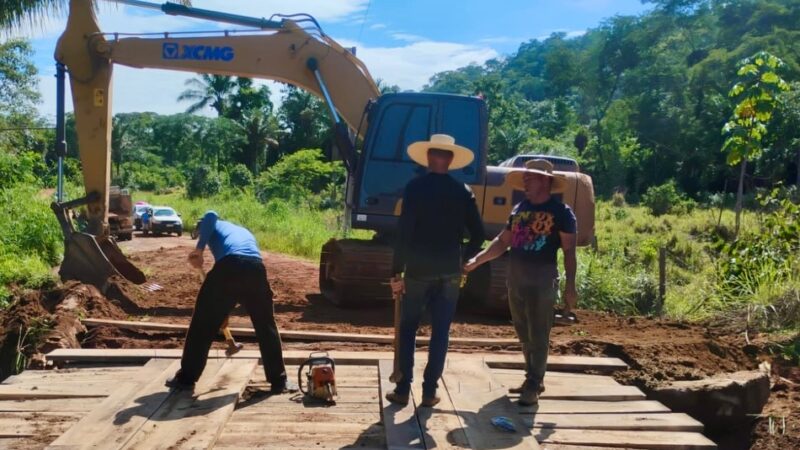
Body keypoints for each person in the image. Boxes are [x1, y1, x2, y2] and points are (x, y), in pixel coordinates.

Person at [464, 159, 577, 406]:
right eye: (524, 177)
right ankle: (532, 378)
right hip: (516, 279)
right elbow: (503, 241)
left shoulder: (562, 213)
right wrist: (478, 260)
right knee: (523, 331)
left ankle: (534, 384)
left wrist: (570, 286)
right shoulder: (518, 209)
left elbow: (569, 251)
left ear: (546, 181)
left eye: (531, 177)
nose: (525, 181)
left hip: (543, 280)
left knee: (539, 332)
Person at [386, 134, 485, 407]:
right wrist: (464, 257)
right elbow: (479, 234)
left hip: (418, 270)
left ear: (429, 158)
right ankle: (429, 392)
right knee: (441, 332)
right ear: (451, 160)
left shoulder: (415, 188)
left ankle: (403, 389)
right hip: (450, 272)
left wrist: (396, 271)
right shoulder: (463, 192)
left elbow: (404, 233)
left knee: (408, 329)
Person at [166, 210, 295, 393]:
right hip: (255, 269)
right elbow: (236, 280)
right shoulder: (242, 232)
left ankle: (186, 379)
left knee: (202, 324)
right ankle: (279, 381)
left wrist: (199, 249)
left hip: (230, 265)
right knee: (266, 326)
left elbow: (211, 215)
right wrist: (223, 313)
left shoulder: (213, 224)